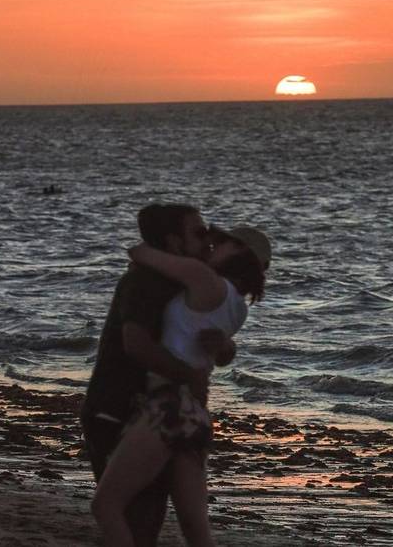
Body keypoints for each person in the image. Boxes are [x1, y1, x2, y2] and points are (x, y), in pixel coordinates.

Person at [92, 223, 271, 547]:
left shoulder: (202, 280)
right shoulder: (239, 308)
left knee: (106, 505)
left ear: (239, 254)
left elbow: (141, 252)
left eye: (221, 243)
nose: (212, 246)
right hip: (195, 415)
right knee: (195, 528)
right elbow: (217, 349)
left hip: (167, 407)